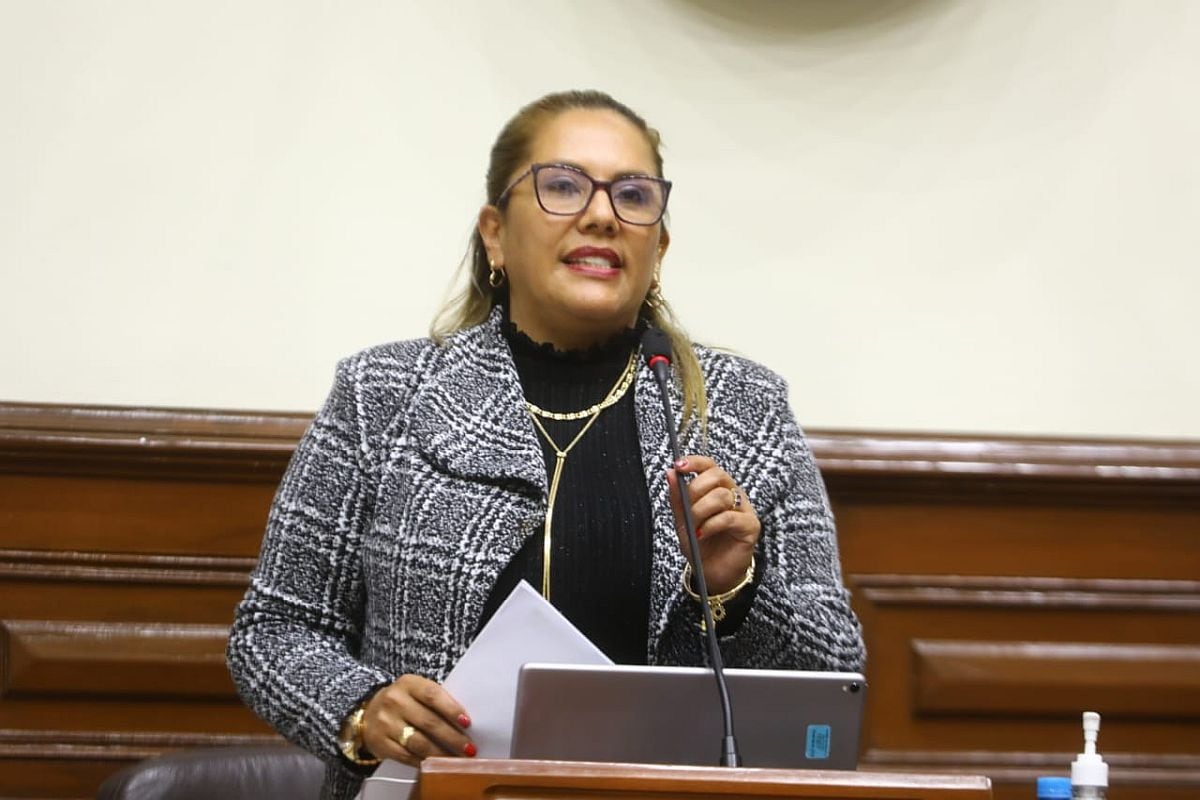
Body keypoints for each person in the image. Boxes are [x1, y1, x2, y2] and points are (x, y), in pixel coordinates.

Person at [227, 89, 865, 800]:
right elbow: (272, 631)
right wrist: (361, 710)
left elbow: (838, 676)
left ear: (659, 245)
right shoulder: (384, 391)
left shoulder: (745, 407)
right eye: (562, 186)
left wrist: (735, 593)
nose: (601, 214)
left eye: (633, 195)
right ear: (494, 233)